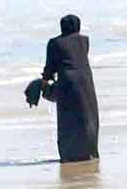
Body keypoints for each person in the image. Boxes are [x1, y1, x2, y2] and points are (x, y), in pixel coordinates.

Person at [41, 14, 100, 163]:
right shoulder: (85, 41)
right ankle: (89, 152)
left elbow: (50, 68)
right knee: (88, 117)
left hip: (67, 84)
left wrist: (43, 83)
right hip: (86, 82)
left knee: (68, 120)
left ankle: (70, 155)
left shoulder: (54, 43)